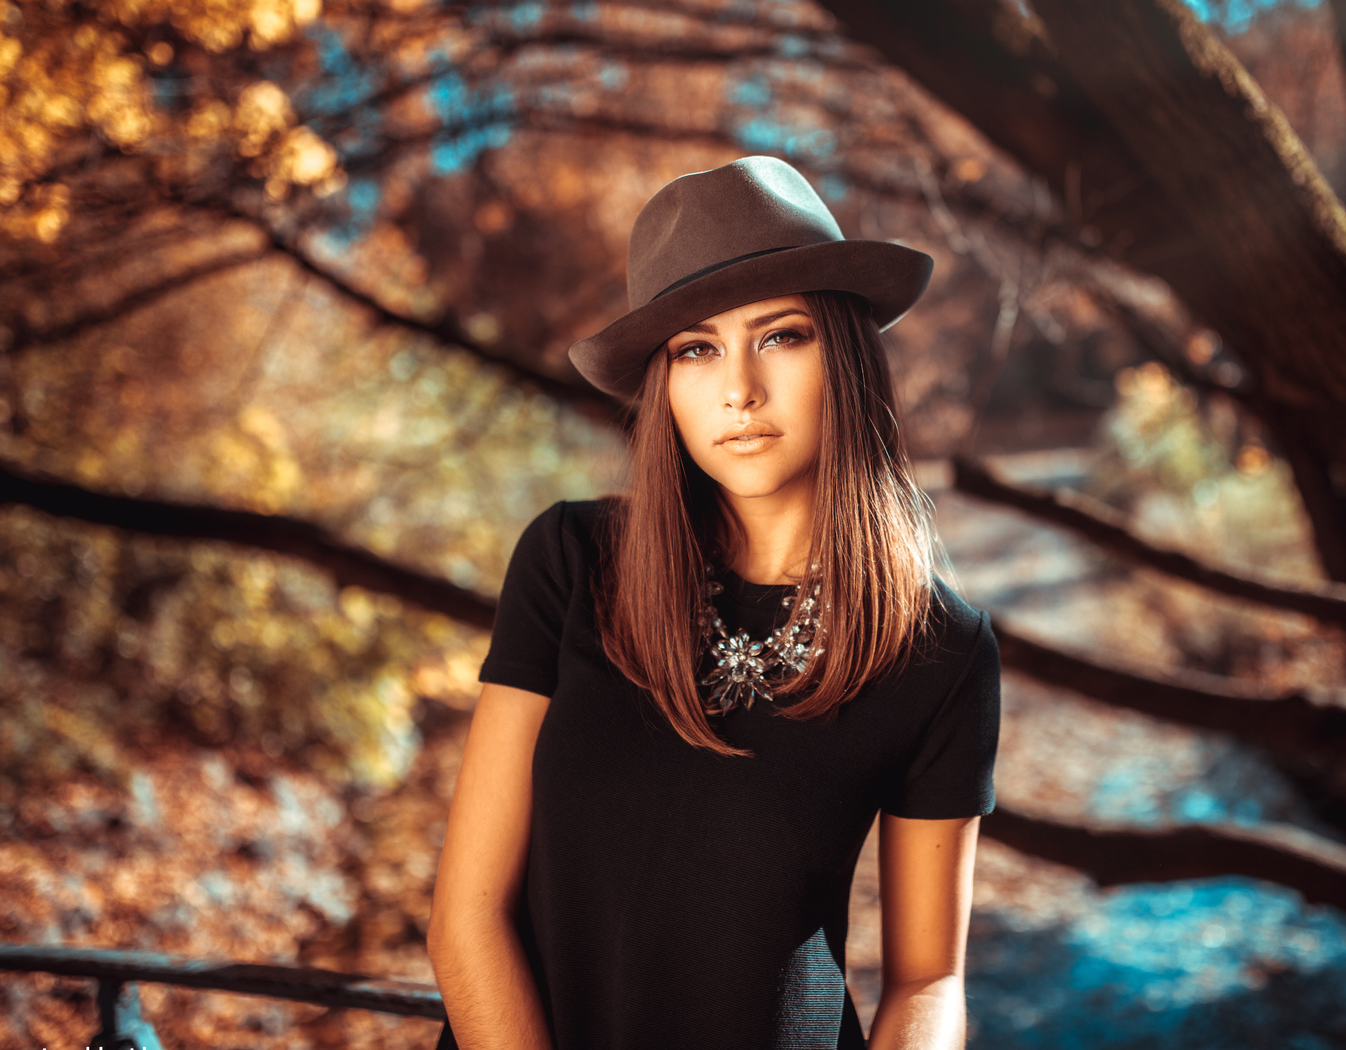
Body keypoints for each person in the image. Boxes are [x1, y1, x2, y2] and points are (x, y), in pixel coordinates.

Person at [427, 155, 1002, 1050]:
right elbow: (468, 917)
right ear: (665, 389)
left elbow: (928, 978)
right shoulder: (570, 563)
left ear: (844, 355)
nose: (739, 389)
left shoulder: (938, 650)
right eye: (696, 349)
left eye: (781, 336)